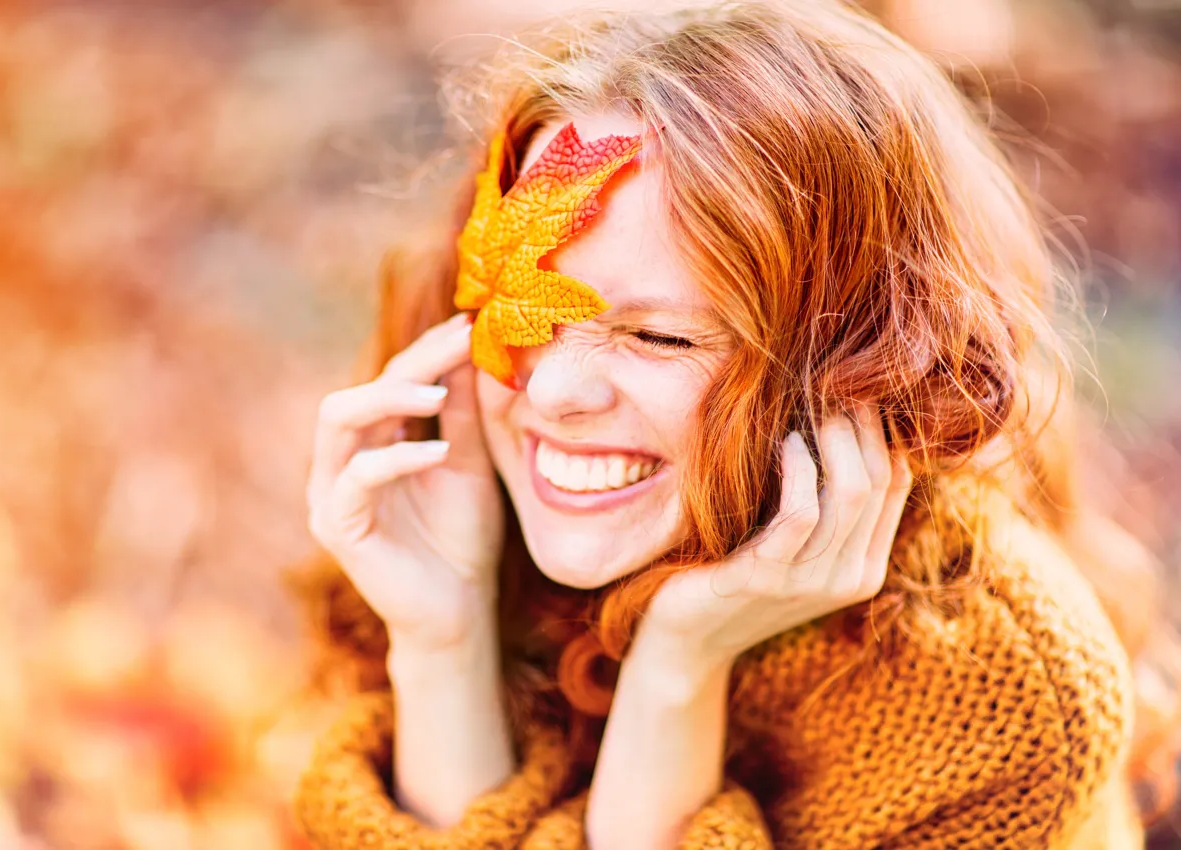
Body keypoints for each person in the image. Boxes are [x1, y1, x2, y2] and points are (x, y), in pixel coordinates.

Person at [291, 1, 1175, 846]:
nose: (554, 391)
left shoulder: (1003, 702)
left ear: (857, 365)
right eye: (520, 309)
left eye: (659, 335)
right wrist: (443, 641)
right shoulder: (467, 506)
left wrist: (677, 673)